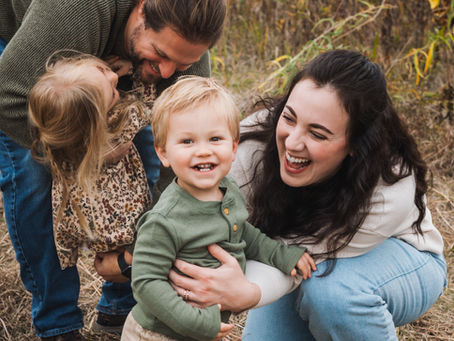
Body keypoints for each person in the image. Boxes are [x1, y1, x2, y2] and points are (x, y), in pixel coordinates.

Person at [166, 50, 447, 340]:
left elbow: (296, 255)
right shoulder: (250, 144)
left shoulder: (390, 188)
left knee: (333, 295)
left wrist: (245, 293)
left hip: (397, 255)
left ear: (355, 143)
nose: (292, 142)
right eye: (289, 117)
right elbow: (209, 226)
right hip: (297, 260)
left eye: (318, 134)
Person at [0, 0, 226, 339]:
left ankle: (124, 303)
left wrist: (140, 253)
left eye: (183, 63)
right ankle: (58, 321)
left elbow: (184, 161)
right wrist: (87, 153)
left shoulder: (184, 51)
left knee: (150, 154)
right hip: (27, 60)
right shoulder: (77, 9)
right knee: (32, 175)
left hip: (106, 68)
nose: (167, 72)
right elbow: (8, 100)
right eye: (161, 54)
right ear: (141, 9)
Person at [121, 76, 316, 341]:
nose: (203, 151)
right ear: (163, 152)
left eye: (215, 139)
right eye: (187, 141)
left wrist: (283, 256)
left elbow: (244, 233)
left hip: (204, 328)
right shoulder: (164, 220)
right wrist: (196, 324)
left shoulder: (228, 191)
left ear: (233, 147)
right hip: (159, 333)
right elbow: (146, 283)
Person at [28, 52, 153, 270]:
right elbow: (149, 103)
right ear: (97, 121)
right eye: (113, 93)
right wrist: (134, 68)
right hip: (123, 219)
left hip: (93, 223)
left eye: (102, 70)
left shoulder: (61, 143)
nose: (114, 78)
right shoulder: (119, 130)